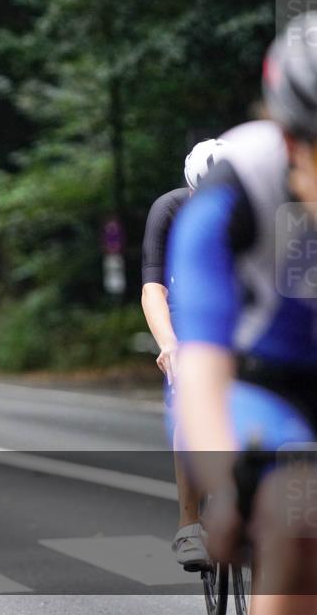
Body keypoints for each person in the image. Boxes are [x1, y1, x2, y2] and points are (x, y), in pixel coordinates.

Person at [170, 9, 317, 615]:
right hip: (263, 382)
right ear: (291, 141)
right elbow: (201, 369)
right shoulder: (237, 191)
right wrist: (230, 488)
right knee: (298, 512)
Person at [141, 137, 226, 569]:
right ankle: (189, 523)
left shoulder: (263, 210)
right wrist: (169, 345)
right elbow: (154, 289)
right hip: (187, 310)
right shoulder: (170, 210)